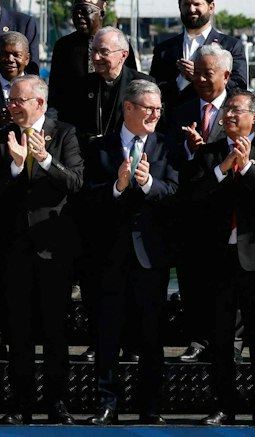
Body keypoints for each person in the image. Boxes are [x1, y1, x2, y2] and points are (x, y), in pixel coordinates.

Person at [78, 78, 179, 424]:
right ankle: (108, 403)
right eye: (148, 108)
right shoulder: (98, 148)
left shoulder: (166, 146)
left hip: (150, 256)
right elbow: (86, 198)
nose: (154, 114)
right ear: (128, 108)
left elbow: (175, 192)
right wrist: (117, 186)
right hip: (108, 255)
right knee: (107, 335)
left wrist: (149, 183)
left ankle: (150, 407)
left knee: (151, 337)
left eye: (158, 109)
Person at [0, 75, 81, 425]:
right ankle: (21, 402)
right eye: (10, 101)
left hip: (53, 249)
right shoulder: (3, 137)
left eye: (17, 101)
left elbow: (74, 182)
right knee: (19, 333)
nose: (11, 106)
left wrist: (42, 159)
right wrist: (15, 165)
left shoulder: (66, 134)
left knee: (56, 332)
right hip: (14, 250)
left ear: (39, 103)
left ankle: (57, 402)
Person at [185, 90, 255, 426]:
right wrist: (223, 169)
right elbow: (194, 197)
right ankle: (223, 404)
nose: (228, 116)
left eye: (236, 111)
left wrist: (248, 167)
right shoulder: (210, 154)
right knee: (221, 336)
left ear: (254, 116)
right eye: (226, 111)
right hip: (217, 257)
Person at [157, 44, 234, 364]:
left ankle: (232, 339)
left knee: (229, 280)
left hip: (229, 208)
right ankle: (197, 338)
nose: (200, 79)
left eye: (208, 73)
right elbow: (170, 159)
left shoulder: (238, 109)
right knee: (192, 279)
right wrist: (191, 151)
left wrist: (207, 152)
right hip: (191, 211)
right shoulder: (181, 111)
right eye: (197, 73)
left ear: (226, 75)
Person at [148, 0, 248, 98]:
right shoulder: (164, 49)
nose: (191, 9)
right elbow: (154, 90)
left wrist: (201, 76)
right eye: (186, 4)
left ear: (211, 8)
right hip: (176, 115)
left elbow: (239, 87)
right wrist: (183, 80)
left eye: (197, 4)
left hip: (217, 115)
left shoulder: (231, 46)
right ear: (180, 7)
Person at [55, 26, 143, 146]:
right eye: (94, 50)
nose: (96, 57)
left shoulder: (143, 85)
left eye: (104, 52)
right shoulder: (80, 86)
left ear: (123, 55)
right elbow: (70, 124)